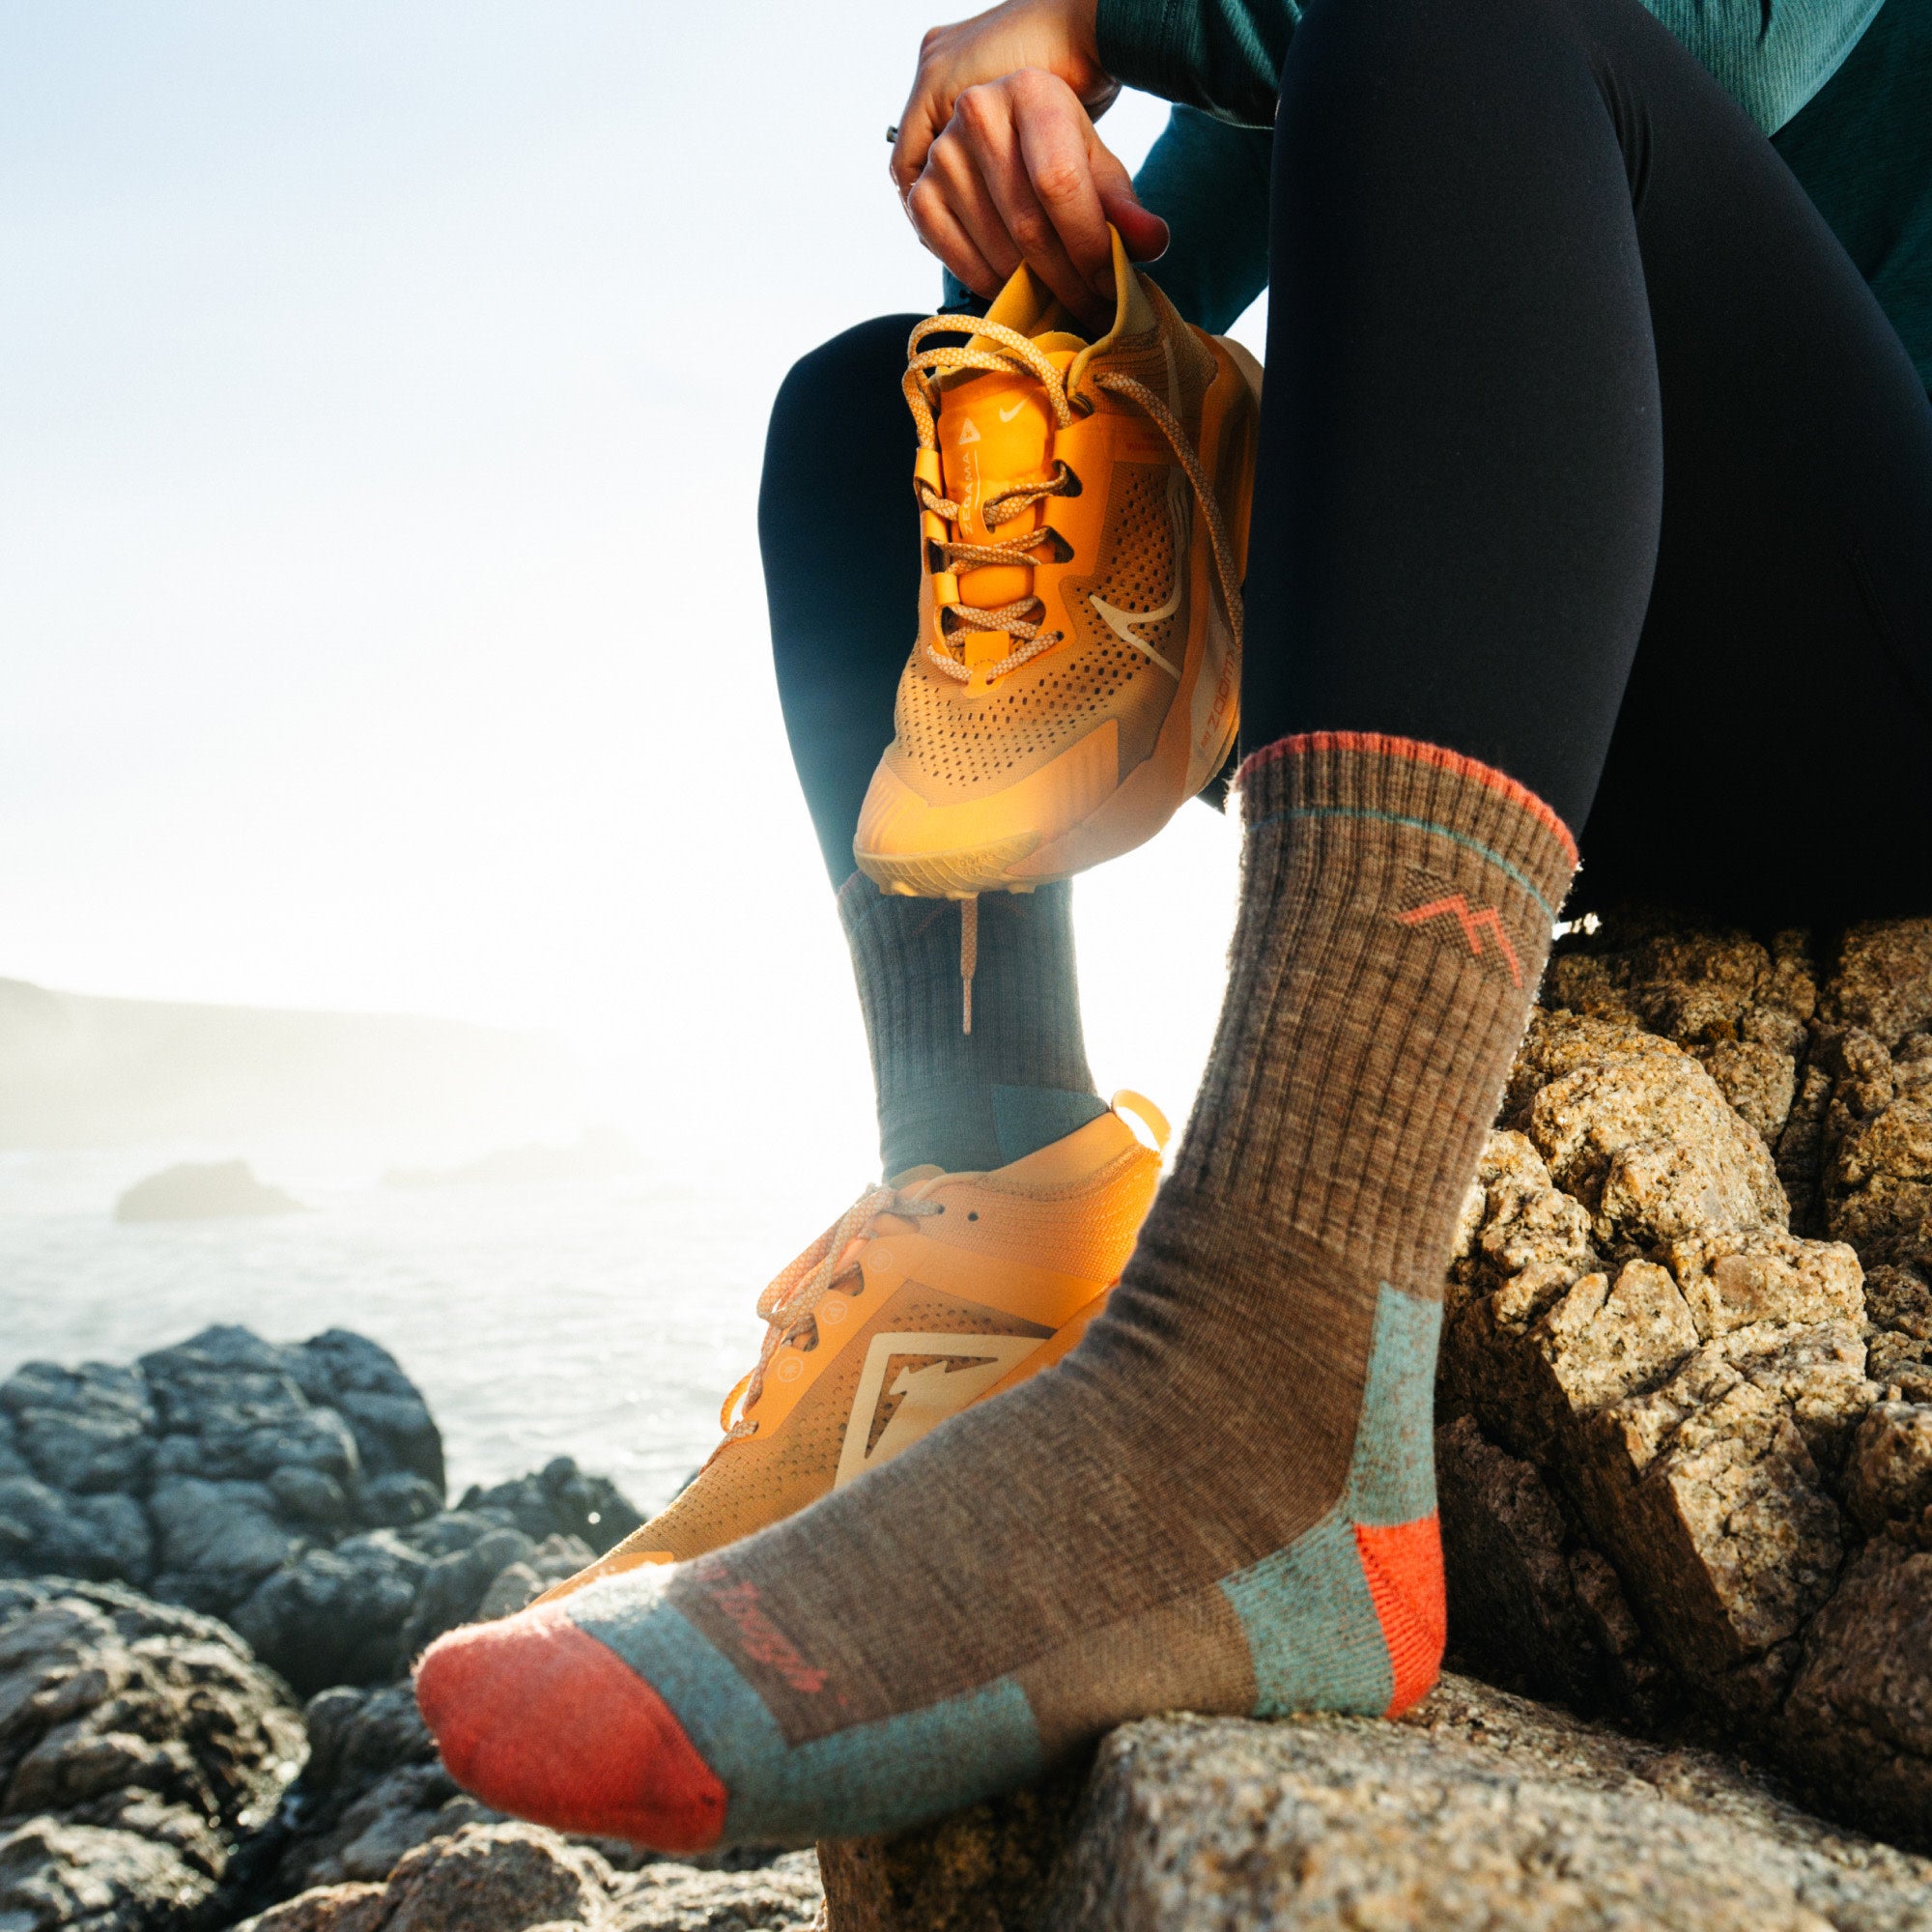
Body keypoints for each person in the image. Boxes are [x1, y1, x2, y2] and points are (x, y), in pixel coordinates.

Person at [415, 0, 1932, 1852]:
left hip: (1874, 689)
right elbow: (1125, 300)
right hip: (1557, 635)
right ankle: (992, 1247)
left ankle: (1271, 1398)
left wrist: (1095, 14)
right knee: (874, 413)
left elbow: (1688, 41)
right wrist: (1031, 196)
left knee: (1465, 29)